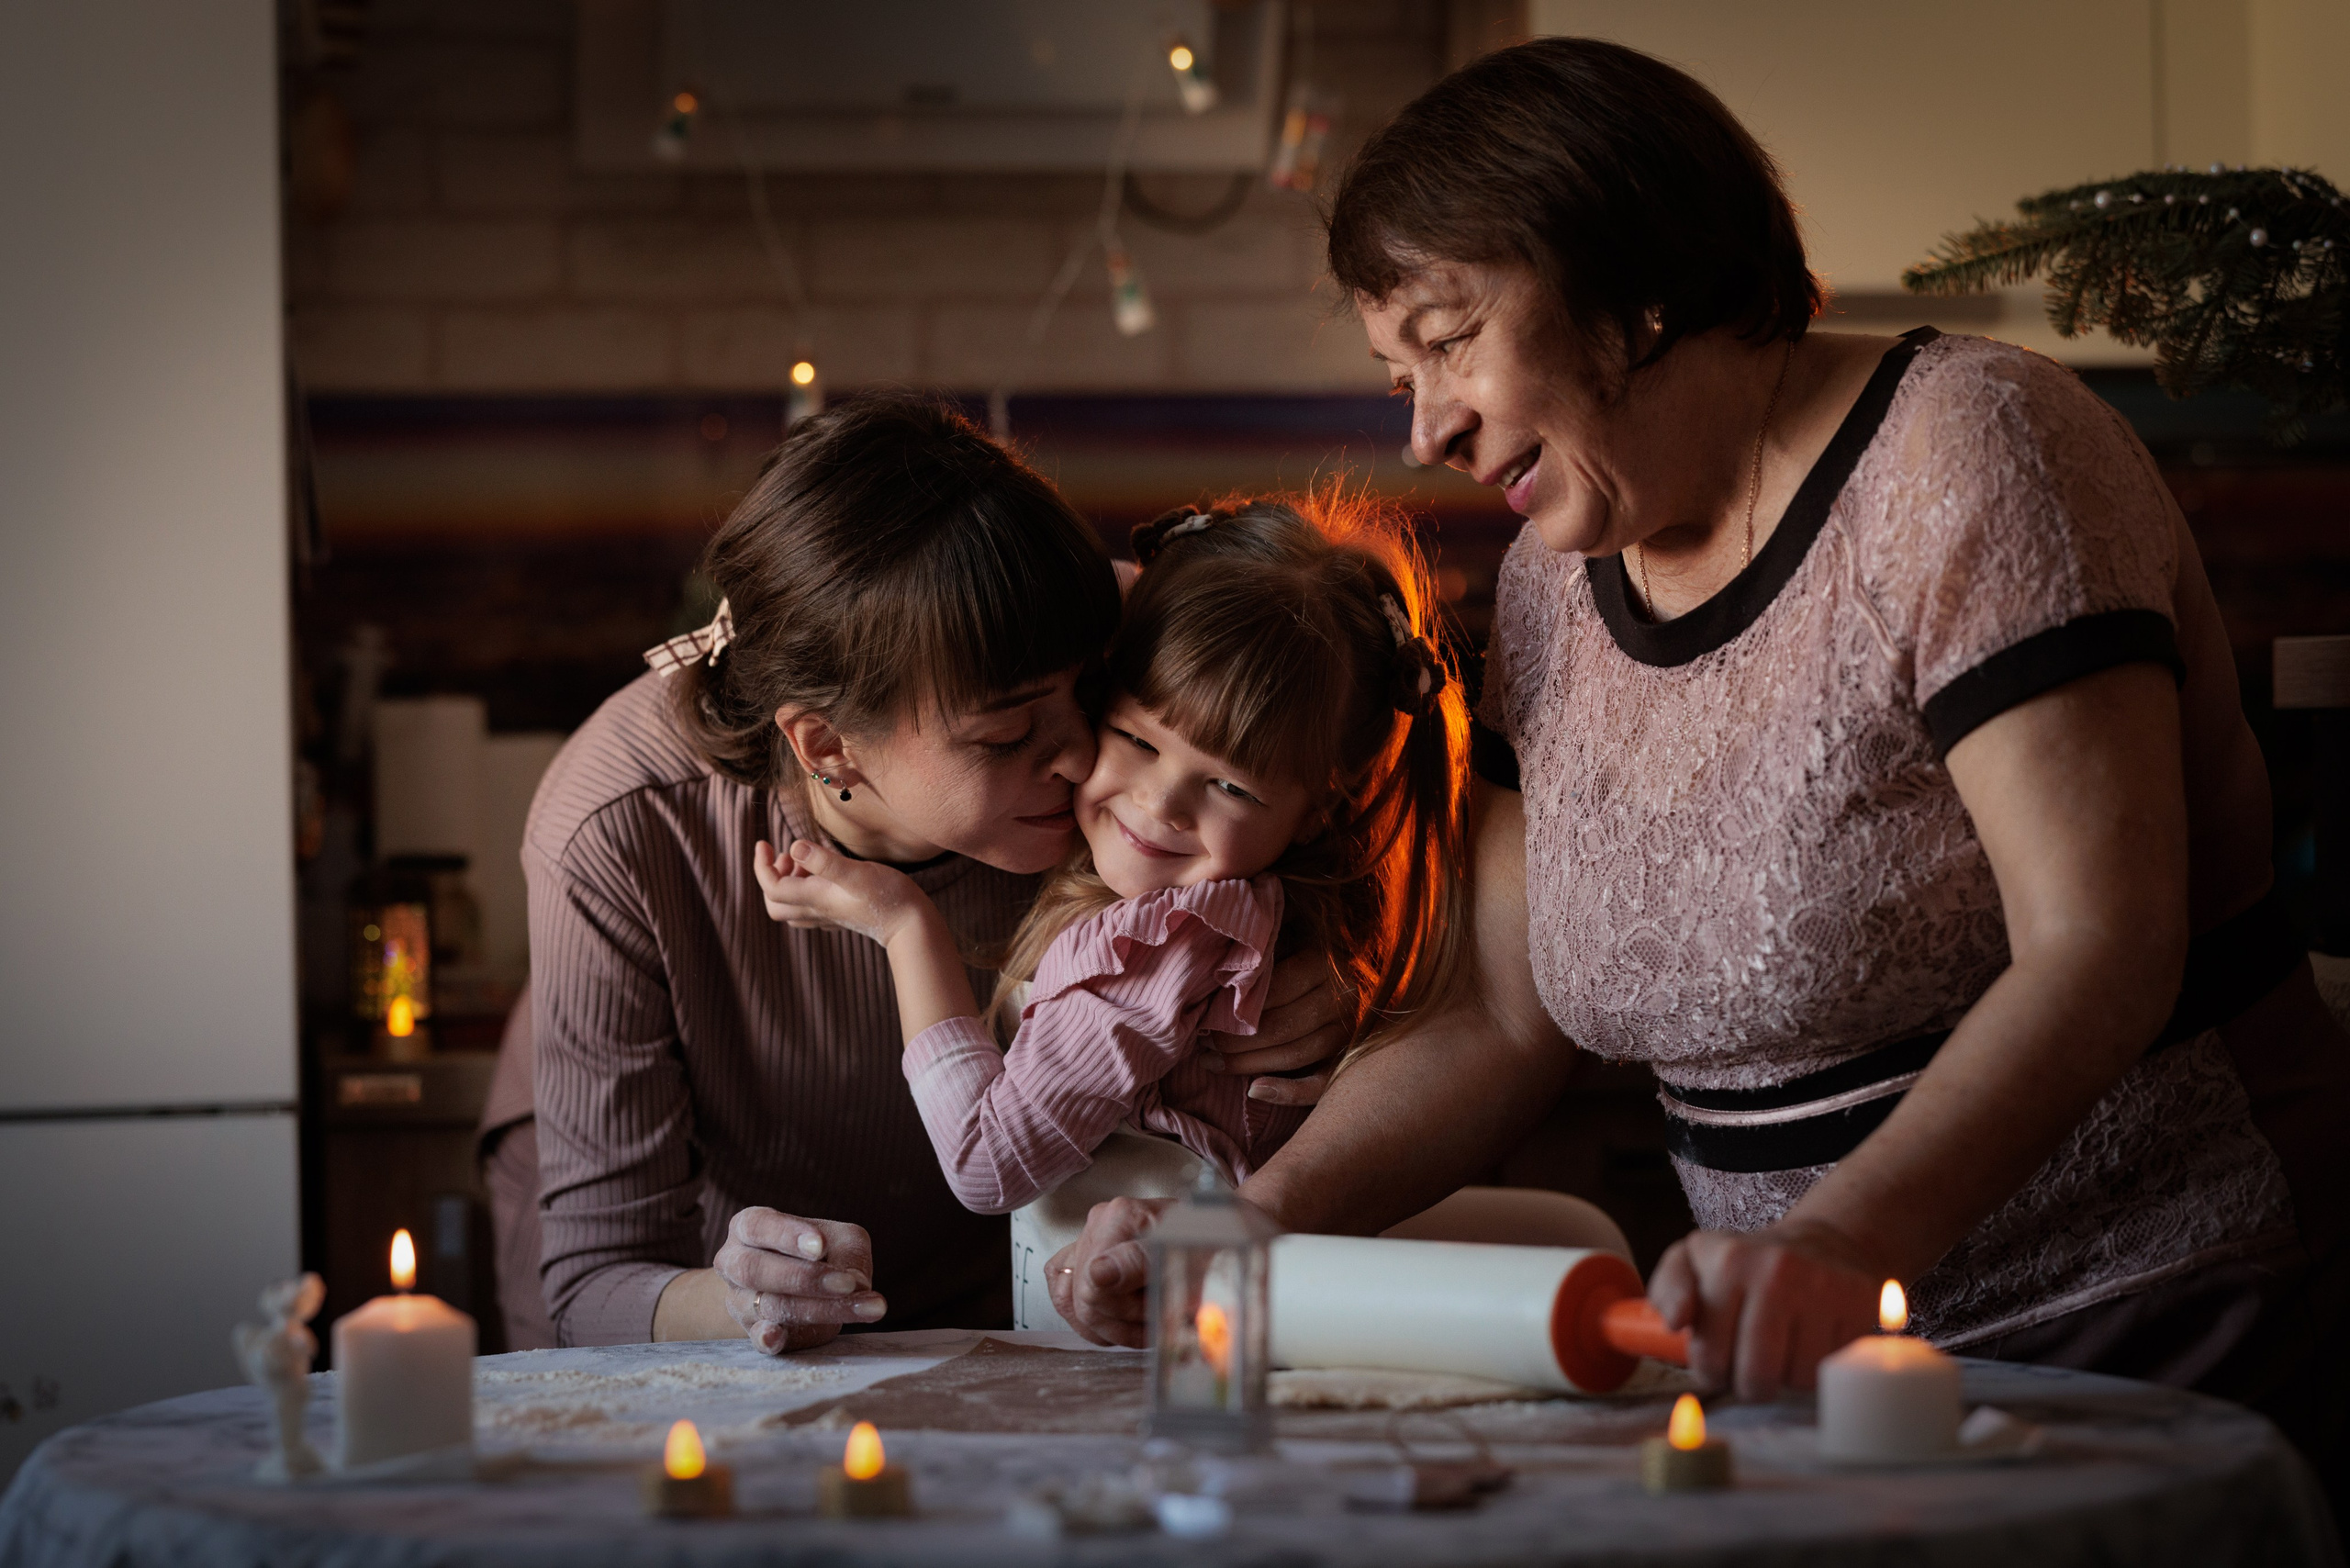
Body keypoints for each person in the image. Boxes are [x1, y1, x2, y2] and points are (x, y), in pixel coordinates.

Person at [1049, 37, 2350, 1501]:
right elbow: (1504, 1023)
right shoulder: (1561, 580)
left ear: (1636, 280)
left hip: (2160, 1316)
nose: (1426, 426)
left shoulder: (1968, 453)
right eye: (1395, 369)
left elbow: (2103, 944)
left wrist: (1841, 1245)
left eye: (1452, 339)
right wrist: (1253, 1223)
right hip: (1809, 1367)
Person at [516, 395, 1346, 1353]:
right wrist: (743, 1298)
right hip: (784, 1360)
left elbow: (1354, 750)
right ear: (826, 746)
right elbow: (593, 1286)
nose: (1086, 760)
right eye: (1005, 736)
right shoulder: (619, 829)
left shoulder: (1111, 646)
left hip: (1057, 1320)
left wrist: (1352, 959)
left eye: (1092, 699)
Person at [750, 493, 1469, 1222]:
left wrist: (905, 926)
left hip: (1157, 1310)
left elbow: (986, 1162)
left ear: (1320, 812)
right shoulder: (1225, 895)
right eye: (1137, 741)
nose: (1160, 804)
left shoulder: (1157, 941)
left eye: (1228, 785)